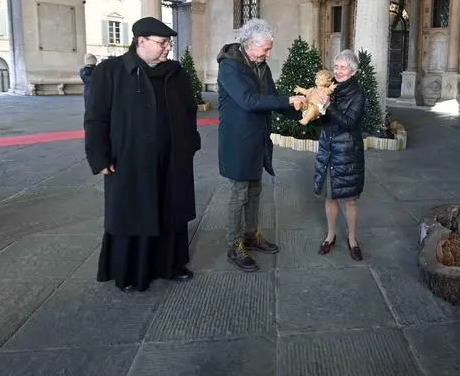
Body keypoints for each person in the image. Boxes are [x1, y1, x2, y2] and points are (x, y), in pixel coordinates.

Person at [84, 16, 200, 292]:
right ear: (141, 41)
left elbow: (188, 111)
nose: (167, 48)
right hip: (129, 160)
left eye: (169, 43)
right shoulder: (110, 71)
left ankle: (171, 265)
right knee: (134, 213)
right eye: (162, 43)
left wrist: (190, 143)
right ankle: (132, 273)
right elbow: (95, 117)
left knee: (170, 211)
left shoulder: (175, 73)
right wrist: (99, 157)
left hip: (172, 159)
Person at [217, 18, 306, 271]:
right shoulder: (230, 67)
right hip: (237, 141)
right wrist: (288, 101)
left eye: (269, 48)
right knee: (239, 194)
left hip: (258, 138)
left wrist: (303, 113)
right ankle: (234, 247)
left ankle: (250, 235)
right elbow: (248, 100)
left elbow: (272, 98)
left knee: (255, 191)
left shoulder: (261, 66)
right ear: (248, 44)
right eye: (265, 48)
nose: (268, 53)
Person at [314, 50, 366, 260]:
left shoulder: (358, 94)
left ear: (353, 72)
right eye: (336, 67)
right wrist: (316, 112)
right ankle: (330, 235)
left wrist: (328, 106)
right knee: (330, 196)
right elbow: (323, 121)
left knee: (350, 200)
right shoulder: (329, 90)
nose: (338, 71)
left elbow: (348, 122)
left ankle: (353, 239)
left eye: (343, 67)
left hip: (347, 151)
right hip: (328, 148)